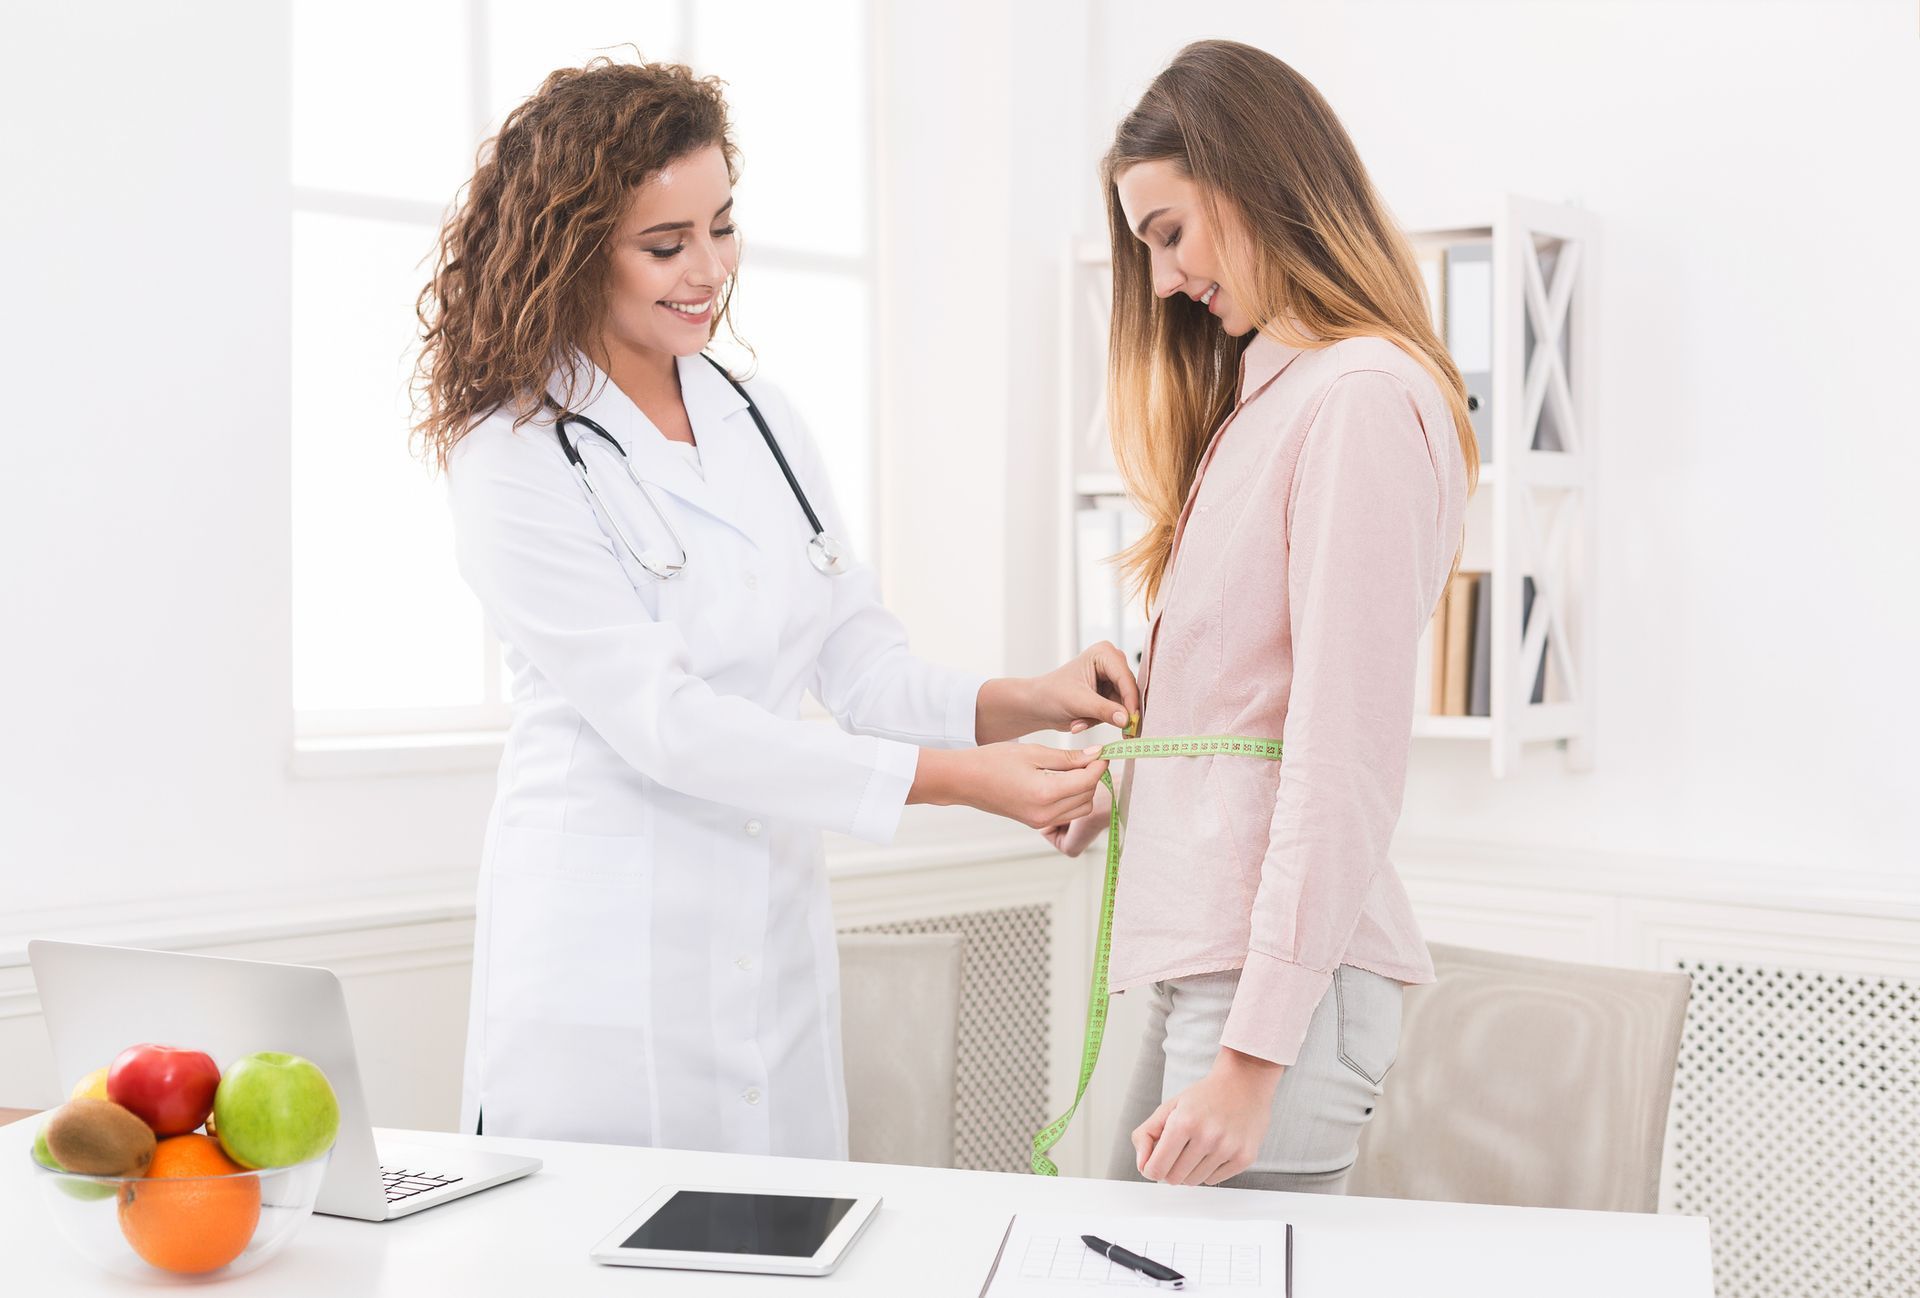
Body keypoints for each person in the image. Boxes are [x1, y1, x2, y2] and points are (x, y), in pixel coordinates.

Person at [413, 58, 1136, 1158]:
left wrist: (1023, 701)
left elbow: (858, 662)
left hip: (768, 936)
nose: (709, 270)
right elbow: (670, 724)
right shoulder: (510, 455)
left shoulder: (761, 417)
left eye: (723, 227)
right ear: (572, 250)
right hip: (606, 949)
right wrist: (959, 782)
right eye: (666, 245)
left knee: (783, 1235)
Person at [1045, 39, 1476, 1192]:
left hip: (1273, 999)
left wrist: (1253, 1053)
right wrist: (1117, 783)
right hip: (1215, 968)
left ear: (1255, 176)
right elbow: (1255, 719)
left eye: (1170, 233)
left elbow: (1341, 754)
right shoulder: (1271, 401)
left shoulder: (1361, 401)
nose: (1170, 280)